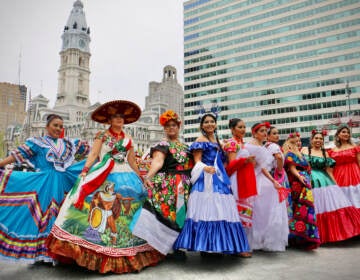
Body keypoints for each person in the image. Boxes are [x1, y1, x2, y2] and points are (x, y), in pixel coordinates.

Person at [46, 100, 164, 273]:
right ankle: (95, 247)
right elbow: (94, 154)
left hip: (126, 175)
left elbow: (131, 160)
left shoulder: (128, 139)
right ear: (109, 120)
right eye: (116, 117)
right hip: (104, 173)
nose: (119, 120)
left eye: (122, 117)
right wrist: (85, 171)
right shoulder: (101, 135)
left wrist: (141, 177)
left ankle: (128, 249)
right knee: (93, 202)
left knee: (129, 210)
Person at [0, 114, 89, 263]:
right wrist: (1, 164)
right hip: (45, 183)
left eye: (61, 126)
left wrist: (102, 142)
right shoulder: (38, 143)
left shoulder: (67, 143)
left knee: (62, 215)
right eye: (55, 125)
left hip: (63, 181)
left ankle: (60, 252)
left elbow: (89, 150)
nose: (58, 128)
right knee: (45, 215)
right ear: (47, 127)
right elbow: (18, 154)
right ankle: (46, 253)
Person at [174, 111, 250, 255]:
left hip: (219, 180)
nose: (209, 124)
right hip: (205, 178)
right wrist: (205, 168)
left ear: (216, 124)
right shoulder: (200, 140)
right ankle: (206, 246)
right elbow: (197, 160)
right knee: (207, 211)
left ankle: (222, 246)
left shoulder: (218, 141)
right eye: (206, 122)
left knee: (222, 211)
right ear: (202, 125)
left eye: (212, 121)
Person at [131, 110, 193, 256]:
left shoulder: (186, 147)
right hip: (167, 185)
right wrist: (148, 177)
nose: (171, 128)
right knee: (166, 213)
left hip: (183, 185)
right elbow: (158, 162)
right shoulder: (162, 145)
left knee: (181, 215)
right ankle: (161, 247)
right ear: (164, 128)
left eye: (174, 125)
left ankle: (177, 246)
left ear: (179, 127)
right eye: (168, 126)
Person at [301, 130, 360, 243]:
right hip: (309, 181)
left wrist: (336, 185)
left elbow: (329, 171)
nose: (318, 140)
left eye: (321, 139)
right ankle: (312, 236)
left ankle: (331, 235)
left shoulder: (325, 153)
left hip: (325, 183)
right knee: (314, 208)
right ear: (311, 140)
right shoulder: (304, 150)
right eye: (316, 138)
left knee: (327, 207)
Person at [244, 122, 289, 252]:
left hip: (263, 179)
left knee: (266, 208)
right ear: (254, 133)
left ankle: (264, 240)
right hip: (253, 179)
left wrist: (273, 181)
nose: (264, 133)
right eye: (262, 131)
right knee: (256, 210)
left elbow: (263, 168)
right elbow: (253, 166)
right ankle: (254, 240)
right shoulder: (249, 146)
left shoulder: (262, 146)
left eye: (265, 131)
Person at [223, 118, 256, 257]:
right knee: (238, 214)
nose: (243, 129)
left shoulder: (243, 144)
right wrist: (245, 160)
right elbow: (230, 167)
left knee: (245, 214)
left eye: (244, 127)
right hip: (236, 180)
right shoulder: (232, 143)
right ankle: (238, 247)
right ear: (232, 129)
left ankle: (243, 244)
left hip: (246, 179)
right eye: (240, 127)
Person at [283, 133, 320, 249]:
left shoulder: (300, 154)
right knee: (298, 210)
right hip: (297, 184)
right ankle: (294, 237)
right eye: (295, 141)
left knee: (304, 210)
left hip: (304, 184)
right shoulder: (289, 154)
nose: (298, 143)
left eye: (299, 141)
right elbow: (292, 168)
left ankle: (302, 237)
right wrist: (300, 177)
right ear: (290, 142)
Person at [328, 125, 360, 210]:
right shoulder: (332, 151)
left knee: (356, 198)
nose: (346, 134)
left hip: (355, 176)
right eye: (343, 132)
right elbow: (330, 169)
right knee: (342, 200)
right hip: (339, 177)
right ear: (338, 134)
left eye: (348, 132)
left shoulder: (355, 148)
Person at [265, 126, 292, 221]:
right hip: (277, 175)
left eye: (277, 133)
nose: (277, 135)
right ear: (267, 136)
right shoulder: (274, 146)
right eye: (274, 133)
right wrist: (280, 170)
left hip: (269, 175)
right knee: (282, 202)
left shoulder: (266, 146)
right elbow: (279, 158)